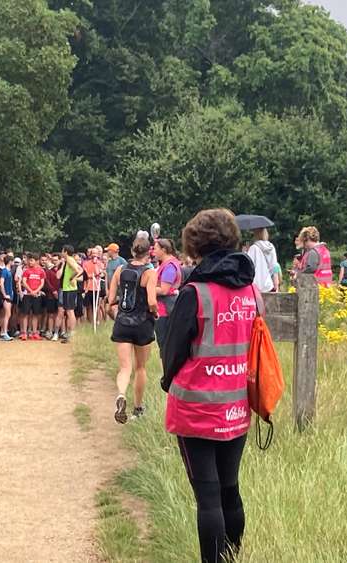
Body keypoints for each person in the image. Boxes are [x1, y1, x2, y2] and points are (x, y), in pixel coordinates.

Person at [161, 209, 256, 563]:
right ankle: (232, 557)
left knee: (209, 497)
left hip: (197, 408)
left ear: (195, 244)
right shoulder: (249, 290)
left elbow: (173, 351)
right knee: (230, 488)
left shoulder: (194, 292)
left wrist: (167, 381)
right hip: (236, 407)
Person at [108, 238, 157, 424]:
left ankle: (121, 395)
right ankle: (137, 408)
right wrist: (156, 313)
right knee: (140, 367)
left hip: (122, 322)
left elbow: (111, 298)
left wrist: (114, 308)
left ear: (132, 250)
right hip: (142, 323)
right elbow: (152, 301)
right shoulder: (150, 273)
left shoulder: (120, 270)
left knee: (124, 368)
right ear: (148, 253)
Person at [153, 238, 182, 349]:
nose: (153, 252)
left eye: (155, 249)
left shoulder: (169, 266)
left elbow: (164, 290)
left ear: (163, 250)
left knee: (165, 346)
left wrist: (147, 289)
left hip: (165, 311)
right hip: (166, 309)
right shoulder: (169, 263)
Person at [57, 244, 83, 343]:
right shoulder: (71, 259)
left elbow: (77, 270)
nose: (62, 252)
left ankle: (71, 333)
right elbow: (80, 270)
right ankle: (70, 333)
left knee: (70, 311)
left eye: (62, 251)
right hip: (69, 288)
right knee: (69, 311)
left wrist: (73, 278)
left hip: (69, 289)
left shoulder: (69, 259)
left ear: (66, 252)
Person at [20, 253, 46, 341]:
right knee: (25, 314)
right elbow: (24, 282)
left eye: (31, 260)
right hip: (27, 295)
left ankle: (35, 333)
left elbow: (42, 283)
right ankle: (24, 333)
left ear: (36, 261)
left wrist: (36, 291)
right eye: (29, 260)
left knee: (36, 314)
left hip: (37, 295)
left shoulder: (41, 271)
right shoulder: (26, 271)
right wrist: (31, 291)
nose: (30, 262)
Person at [246, 228, 276, 293]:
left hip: (256, 285)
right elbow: (273, 266)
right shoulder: (271, 247)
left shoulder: (253, 248)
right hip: (268, 285)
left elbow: (248, 266)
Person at [44, 253, 62, 340]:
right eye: (53, 260)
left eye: (56, 260)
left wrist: (58, 292)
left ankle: (58, 332)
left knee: (59, 314)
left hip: (61, 294)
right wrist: (53, 291)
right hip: (51, 295)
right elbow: (47, 282)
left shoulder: (62, 270)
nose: (55, 262)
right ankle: (50, 331)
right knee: (51, 314)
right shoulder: (49, 271)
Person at [0, 255, 15, 341]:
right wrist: (4, 294)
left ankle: (2, 332)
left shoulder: (8, 271)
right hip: (6, 296)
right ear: (10, 261)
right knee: (7, 315)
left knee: (6, 314)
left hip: (9, 295)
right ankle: (4, 332)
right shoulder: (5, 271)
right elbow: (1, 283)